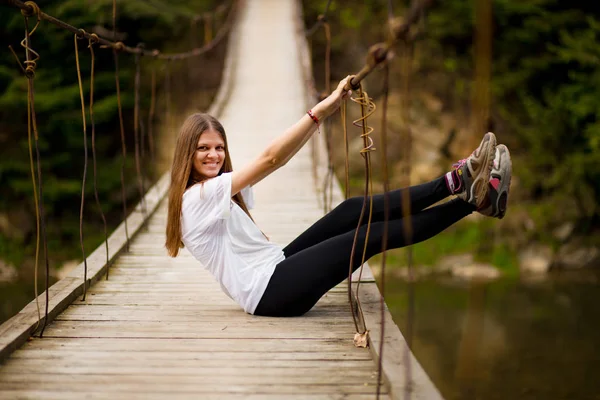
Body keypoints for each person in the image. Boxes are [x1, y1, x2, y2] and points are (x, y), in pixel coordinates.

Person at [165, 76, 512, 317]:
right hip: (268, 293)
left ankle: (455, 182)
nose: (214, 155)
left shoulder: (213, 188)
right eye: (203, 149)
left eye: (219, 148)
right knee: (366, 237)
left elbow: (280, 159)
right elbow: (272, 159)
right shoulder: (198, 197)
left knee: (351, 210)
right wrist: (324, 108)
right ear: (187, 153)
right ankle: (472, 201)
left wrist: (327, 110)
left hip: (274, 268)